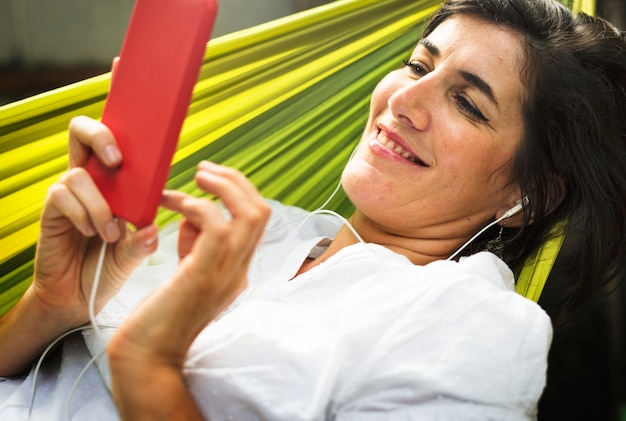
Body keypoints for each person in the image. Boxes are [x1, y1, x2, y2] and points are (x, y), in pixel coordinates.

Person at [0, 0, 624, 419]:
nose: (404, 100)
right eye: (418, 65)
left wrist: (151, 363)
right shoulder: (251, 225)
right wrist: (51, 303)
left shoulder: (476, 325)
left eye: (468, 104)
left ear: (531, 196)